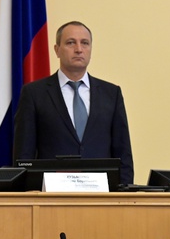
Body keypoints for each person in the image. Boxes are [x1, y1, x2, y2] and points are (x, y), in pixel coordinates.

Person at [13, 21, 134, 185]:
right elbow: (23, 155)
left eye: (85, 43)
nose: (79, 49)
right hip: (51, 194)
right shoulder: (34, 93)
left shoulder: (112, 94)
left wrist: (125, 192)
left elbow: (123, 152)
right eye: (71, 43)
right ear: (57, 50)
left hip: (102, 194)